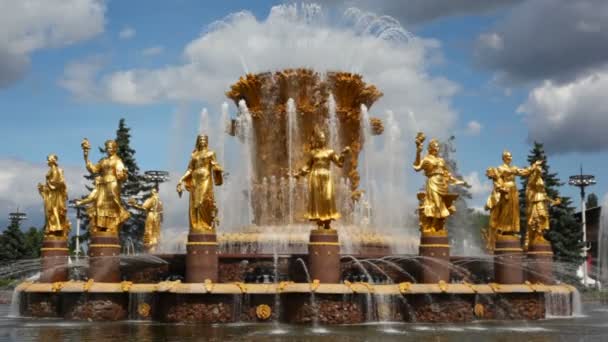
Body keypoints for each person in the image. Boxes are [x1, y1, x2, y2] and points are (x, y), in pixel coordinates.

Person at [294, 126, 350, 229]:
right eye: (320, 138)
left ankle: (328, 220)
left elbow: (339, 163)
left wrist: (343, 154)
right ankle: (319, 222)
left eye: (323, 138)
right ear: (317, 140)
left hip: (327, 176)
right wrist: (298, 173)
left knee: (328, 197)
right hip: (315, 176)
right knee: (317, 199)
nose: (322, 140)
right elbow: (307, 166)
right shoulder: (313, 153)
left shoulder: (330, 152)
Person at [412, 132, 464, 234]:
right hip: (433, 182)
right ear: (430, 148)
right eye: (435, 146)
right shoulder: (426, 159)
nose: (437, 148)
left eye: (438, 147)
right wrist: (418, 152)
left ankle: (437, 227)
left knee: (441, 204)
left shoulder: (441, 160)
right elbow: (417, 167)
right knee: (436, 204)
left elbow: (446, 173)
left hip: (442, 184)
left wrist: (455, 180)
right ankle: (431, 226)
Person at [77, 139, 130, 235]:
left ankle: (112, 226)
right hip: (102, 185)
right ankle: (101, 227)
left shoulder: (118, 160)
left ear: (114, 149)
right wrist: (86, 156)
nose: (108, 149)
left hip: (113, 184)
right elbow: (93, 169)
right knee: (99, 204)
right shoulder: (103, 161)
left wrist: (123, 174)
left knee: (113, 205)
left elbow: (121, 175)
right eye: (107, 148)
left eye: (110, 148)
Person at [176, 134, 223, 232]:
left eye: (204, 139)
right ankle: (196, 225)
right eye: (200, 139)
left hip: (205, 179)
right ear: (198, 141)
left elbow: (215, 165)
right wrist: (181, 179)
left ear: (207, 141)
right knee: (195, 204)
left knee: (202, 200)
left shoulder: (211, 153)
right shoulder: (194, 155)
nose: (202, 141)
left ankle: (206, 224)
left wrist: (218, 170)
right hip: (195, 180)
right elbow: (190, 169)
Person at [38, 154, 70, 238]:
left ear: (53, 160)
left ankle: (56, 228)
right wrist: (43, 188)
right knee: (51, 210)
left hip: (54, 194)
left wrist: (46, 186)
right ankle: (52, 228)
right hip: (51, 193)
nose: (47, 161)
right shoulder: (52, 170)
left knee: (52, 209)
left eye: (48, 159)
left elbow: (55, 182)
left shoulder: (55, 170)